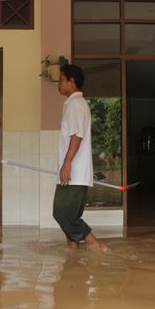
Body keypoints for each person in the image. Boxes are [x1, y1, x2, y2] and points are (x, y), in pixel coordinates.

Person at [53, 64, 108, 252]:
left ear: (72, 81)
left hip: (73, 172)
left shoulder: (76, 104)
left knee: (61, 213)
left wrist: (66, 163)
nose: (58, 84)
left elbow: (77, 135)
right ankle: (73, 256)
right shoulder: (74, 104)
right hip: (75, 172)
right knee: (70, 216)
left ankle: (96, 245)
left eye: (61, 79)